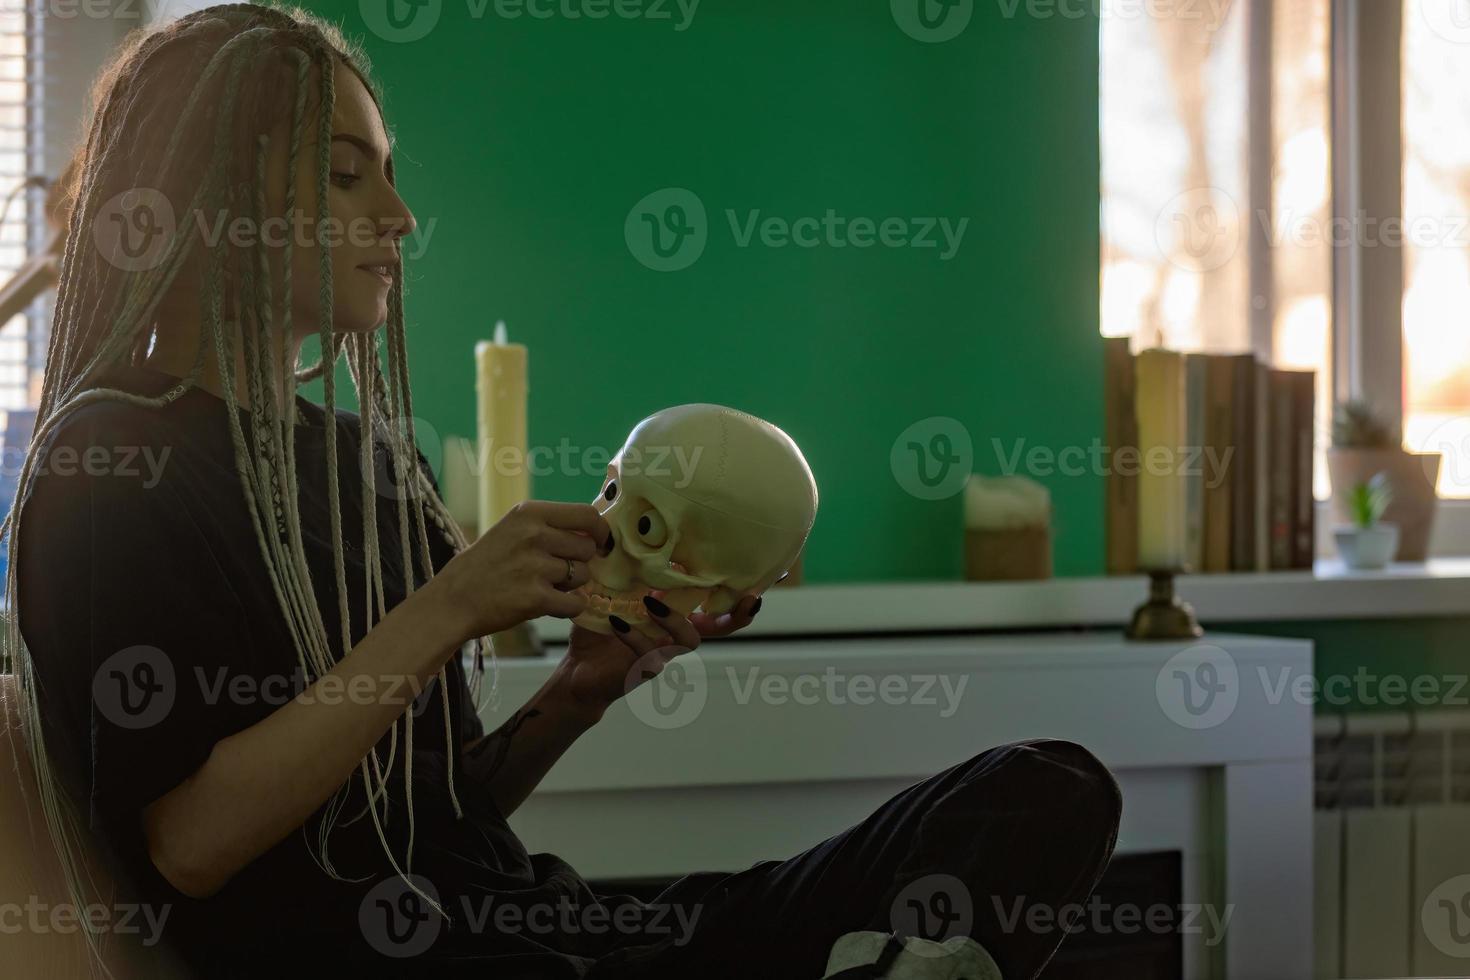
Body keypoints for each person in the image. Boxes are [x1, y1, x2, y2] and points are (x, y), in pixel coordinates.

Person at [6, 6, 1121, 978]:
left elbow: (433, 818)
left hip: (546, 924)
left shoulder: (365, 460)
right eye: (347, 174)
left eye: (391, 173)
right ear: (211, 191)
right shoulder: (112, 464)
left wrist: (576, 695)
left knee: (1042, 792)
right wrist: (447, 606)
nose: (397, 219)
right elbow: (191, 843)